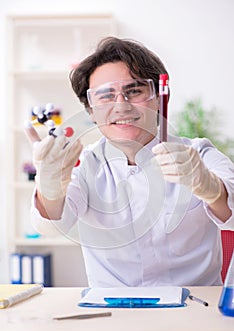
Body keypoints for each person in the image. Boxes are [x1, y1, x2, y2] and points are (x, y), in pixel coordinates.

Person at [25, 36, 234, 287]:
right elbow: (52, 224)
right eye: (105, 96)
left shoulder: (199, 154)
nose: (121, 106)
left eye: (134, 91)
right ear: (91, 111)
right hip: (111, 313)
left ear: (159, 98)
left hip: (196, 308)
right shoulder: (83, 164)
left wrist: (211, 188)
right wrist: (49, 185)